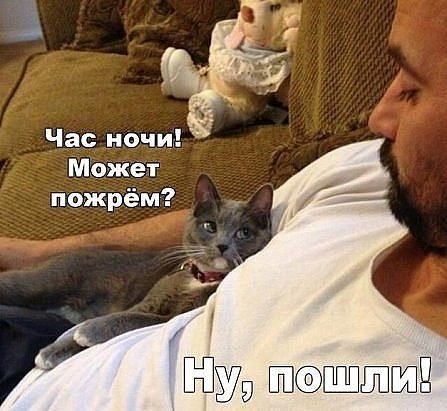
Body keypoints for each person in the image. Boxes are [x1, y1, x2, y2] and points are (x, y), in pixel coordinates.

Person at [1, 0, 447, 408]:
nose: (377, 118)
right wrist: (48, 250)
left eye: (413, 87)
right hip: (46, 348)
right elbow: (215, 219)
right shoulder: (367, 171)